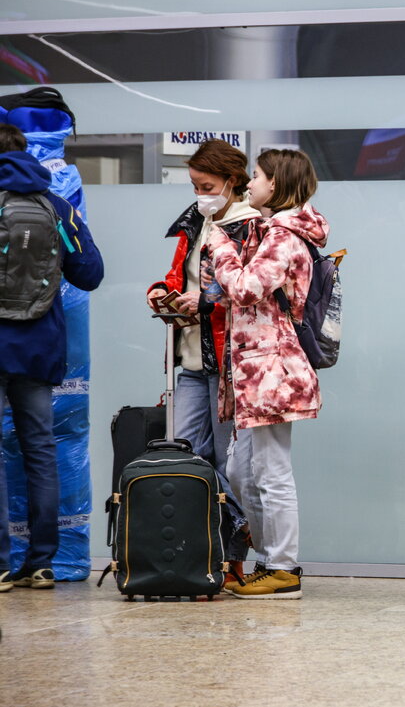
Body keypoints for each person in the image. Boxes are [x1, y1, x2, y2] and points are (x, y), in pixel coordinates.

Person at [206, 148, 329, 600]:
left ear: (275, 183)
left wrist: (220, 245)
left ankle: (283, 568)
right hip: (255, 371)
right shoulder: (270, 231)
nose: (249, 183)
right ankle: (269, 555)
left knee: (271, 471)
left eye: (256, 176)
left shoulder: (282, 236)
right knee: (242, 471)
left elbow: (246, 288)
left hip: (272, 370)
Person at [146, 138, 259, 586]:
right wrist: (163, 291)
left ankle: (233, 557)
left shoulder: (249, 226)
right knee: (185, 454)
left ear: (232, 181)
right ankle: (221, 543)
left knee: (231, 464)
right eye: (194, 185)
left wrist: (206, 302)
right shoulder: (195, 221)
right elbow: (181, 277)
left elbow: (251, 294)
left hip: (230, 361)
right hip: (192, 358)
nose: (199, 193)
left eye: (206, 185)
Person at [0, 124, 103, 591]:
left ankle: (1, 564)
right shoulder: (58, 206)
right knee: (41, 449)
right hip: (39, 345)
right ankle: (42, 563)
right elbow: (91, 274)